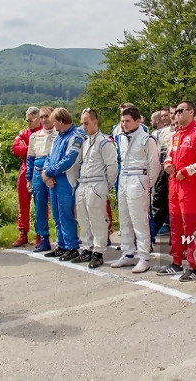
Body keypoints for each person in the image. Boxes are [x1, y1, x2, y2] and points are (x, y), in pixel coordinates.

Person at [156, 102, 196, 281]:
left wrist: (187, 171)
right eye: (175, 112)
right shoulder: (176, 135)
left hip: (191, 186)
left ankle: (193, 266)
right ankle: (176, 262)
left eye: (180, 111)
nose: (176, 115)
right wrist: (167, 164)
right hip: (174, 185)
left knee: (191, 226)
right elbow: (169, 156)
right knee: (175, 225)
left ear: (191, 112)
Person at [111, 106, 160, 273]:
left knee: (139, 220)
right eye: (122, 121)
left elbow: (155, 164)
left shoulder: (147, 139)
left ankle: (144, 256)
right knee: (124, 218)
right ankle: (127, 253)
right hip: (124, 177)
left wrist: (147, 184)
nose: (124, 124)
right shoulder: (120, 137)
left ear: (138, 121)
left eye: (127, 121)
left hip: (139, 178)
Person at [71, 108, 118, 268]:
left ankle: (99, 251)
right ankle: (87, 248)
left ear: (95, 122)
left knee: (97, 219)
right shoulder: (85, 142)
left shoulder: (105, 142)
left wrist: (106, 185)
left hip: (97, 183)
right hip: (83, 182)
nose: (83, 126)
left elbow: (112, 166)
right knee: (83, 218)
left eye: (86, 123)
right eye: (82, 123)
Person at [41, 108, 84, 260]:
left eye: (54, 122)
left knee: (66, 214)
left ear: (60, 121)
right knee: (57, 215)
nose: (52, 125)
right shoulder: (57, 137)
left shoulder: (76, 137)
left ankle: (72, 246)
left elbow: (69, 160)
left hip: (67, 179)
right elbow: (49, 157)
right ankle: (62, 245)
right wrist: (46, 174)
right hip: (53, 179)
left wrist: (49, 172)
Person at [26, 106, 57, 252]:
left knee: (57, 206)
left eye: (47, 116)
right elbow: (30, 159)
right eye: (42, 117)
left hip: (53, 172)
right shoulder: (34, 136)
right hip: (37, 172)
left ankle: (64, 237)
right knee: (39, 206)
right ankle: (43, 238)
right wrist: (29, 179)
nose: (44, 120)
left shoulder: (59, 134)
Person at [11, 107, 42, 247]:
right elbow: (15, 149)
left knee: (40, 203)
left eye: (31, 120)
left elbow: (43, 150)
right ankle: (23, 233)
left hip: (40, 169)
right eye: (27, 120)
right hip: (25, 169)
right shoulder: (23, 133)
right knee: (23, 203)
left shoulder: (43, 132)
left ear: (38, 118)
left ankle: (40, 234)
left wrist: (27, 148)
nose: (29, 123)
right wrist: (32, 149)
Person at [151, 107, 173, 239]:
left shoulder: (183, 131)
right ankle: (154, 230)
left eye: (168, 115)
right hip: (162, 168)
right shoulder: (162, 132)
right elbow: (159, 150)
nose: (165, 118)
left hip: (178, 171)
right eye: (163, 115)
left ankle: (173, 228)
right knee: (159, 198)